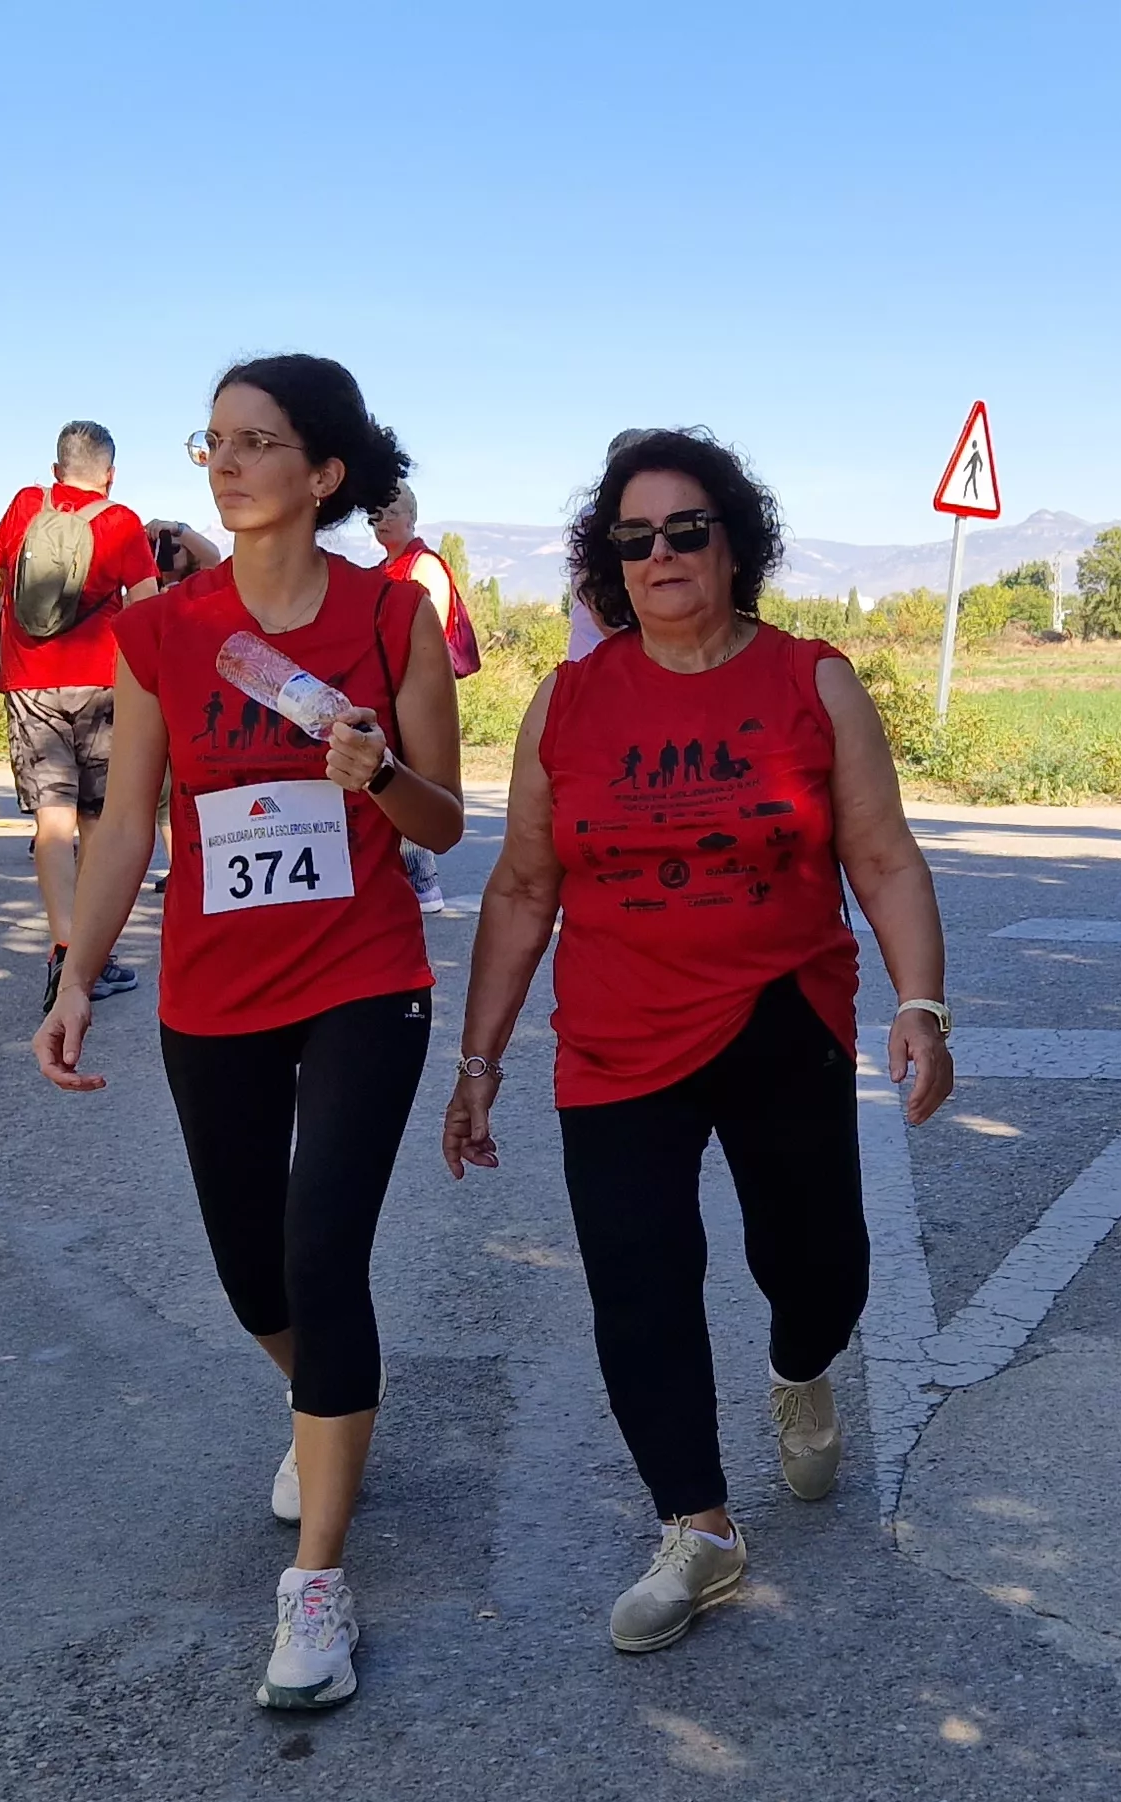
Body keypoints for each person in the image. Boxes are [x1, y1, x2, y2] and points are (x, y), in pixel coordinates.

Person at [441, 428, 954, 1652]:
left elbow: (880, 858)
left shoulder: (811, 680)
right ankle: (700, 1528)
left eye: (685, 530)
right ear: (606, 563)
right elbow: (521, 890)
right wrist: (477, 1062)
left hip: (782, 1012)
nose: (660, 553)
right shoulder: (565, 703)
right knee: (638, 1277)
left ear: (733, 546)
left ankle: (799, 1364)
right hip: (615, 1037)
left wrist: (920, 1003)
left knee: (817, 1262)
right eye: (633, 538)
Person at [32, 355, 460, 1712]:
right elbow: (125, 828)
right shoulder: (163, 632)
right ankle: (325, 1406)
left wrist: (380, 773)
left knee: (323, 1253)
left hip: (362, 976)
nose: (223, 462)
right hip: (213, 987)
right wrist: (71, 973)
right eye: (211, 440)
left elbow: (443, 820)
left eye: (258, 441)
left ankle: (318, 1591)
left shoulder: (393, 620)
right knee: (252, 1278)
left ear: (324, 472)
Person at [0, 420, 163, 1004]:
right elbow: (147, 611)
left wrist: (11, 630)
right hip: (105, 689)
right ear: (110, 473)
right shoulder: (122, 521)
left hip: (31, 686)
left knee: (52, 825)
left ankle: (63, 951)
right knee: (100, 824)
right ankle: (93, 956)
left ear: (57, 470)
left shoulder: (26, 506)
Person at [370, 487, 480, 913]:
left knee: (417, 777)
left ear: (412, 517)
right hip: (389, 686)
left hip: (417, 688)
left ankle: (422, 878)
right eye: (377, 513)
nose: (383, 520)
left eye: (392, 511)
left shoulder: (424, 566)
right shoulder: (384, 569)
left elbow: (425, 634)